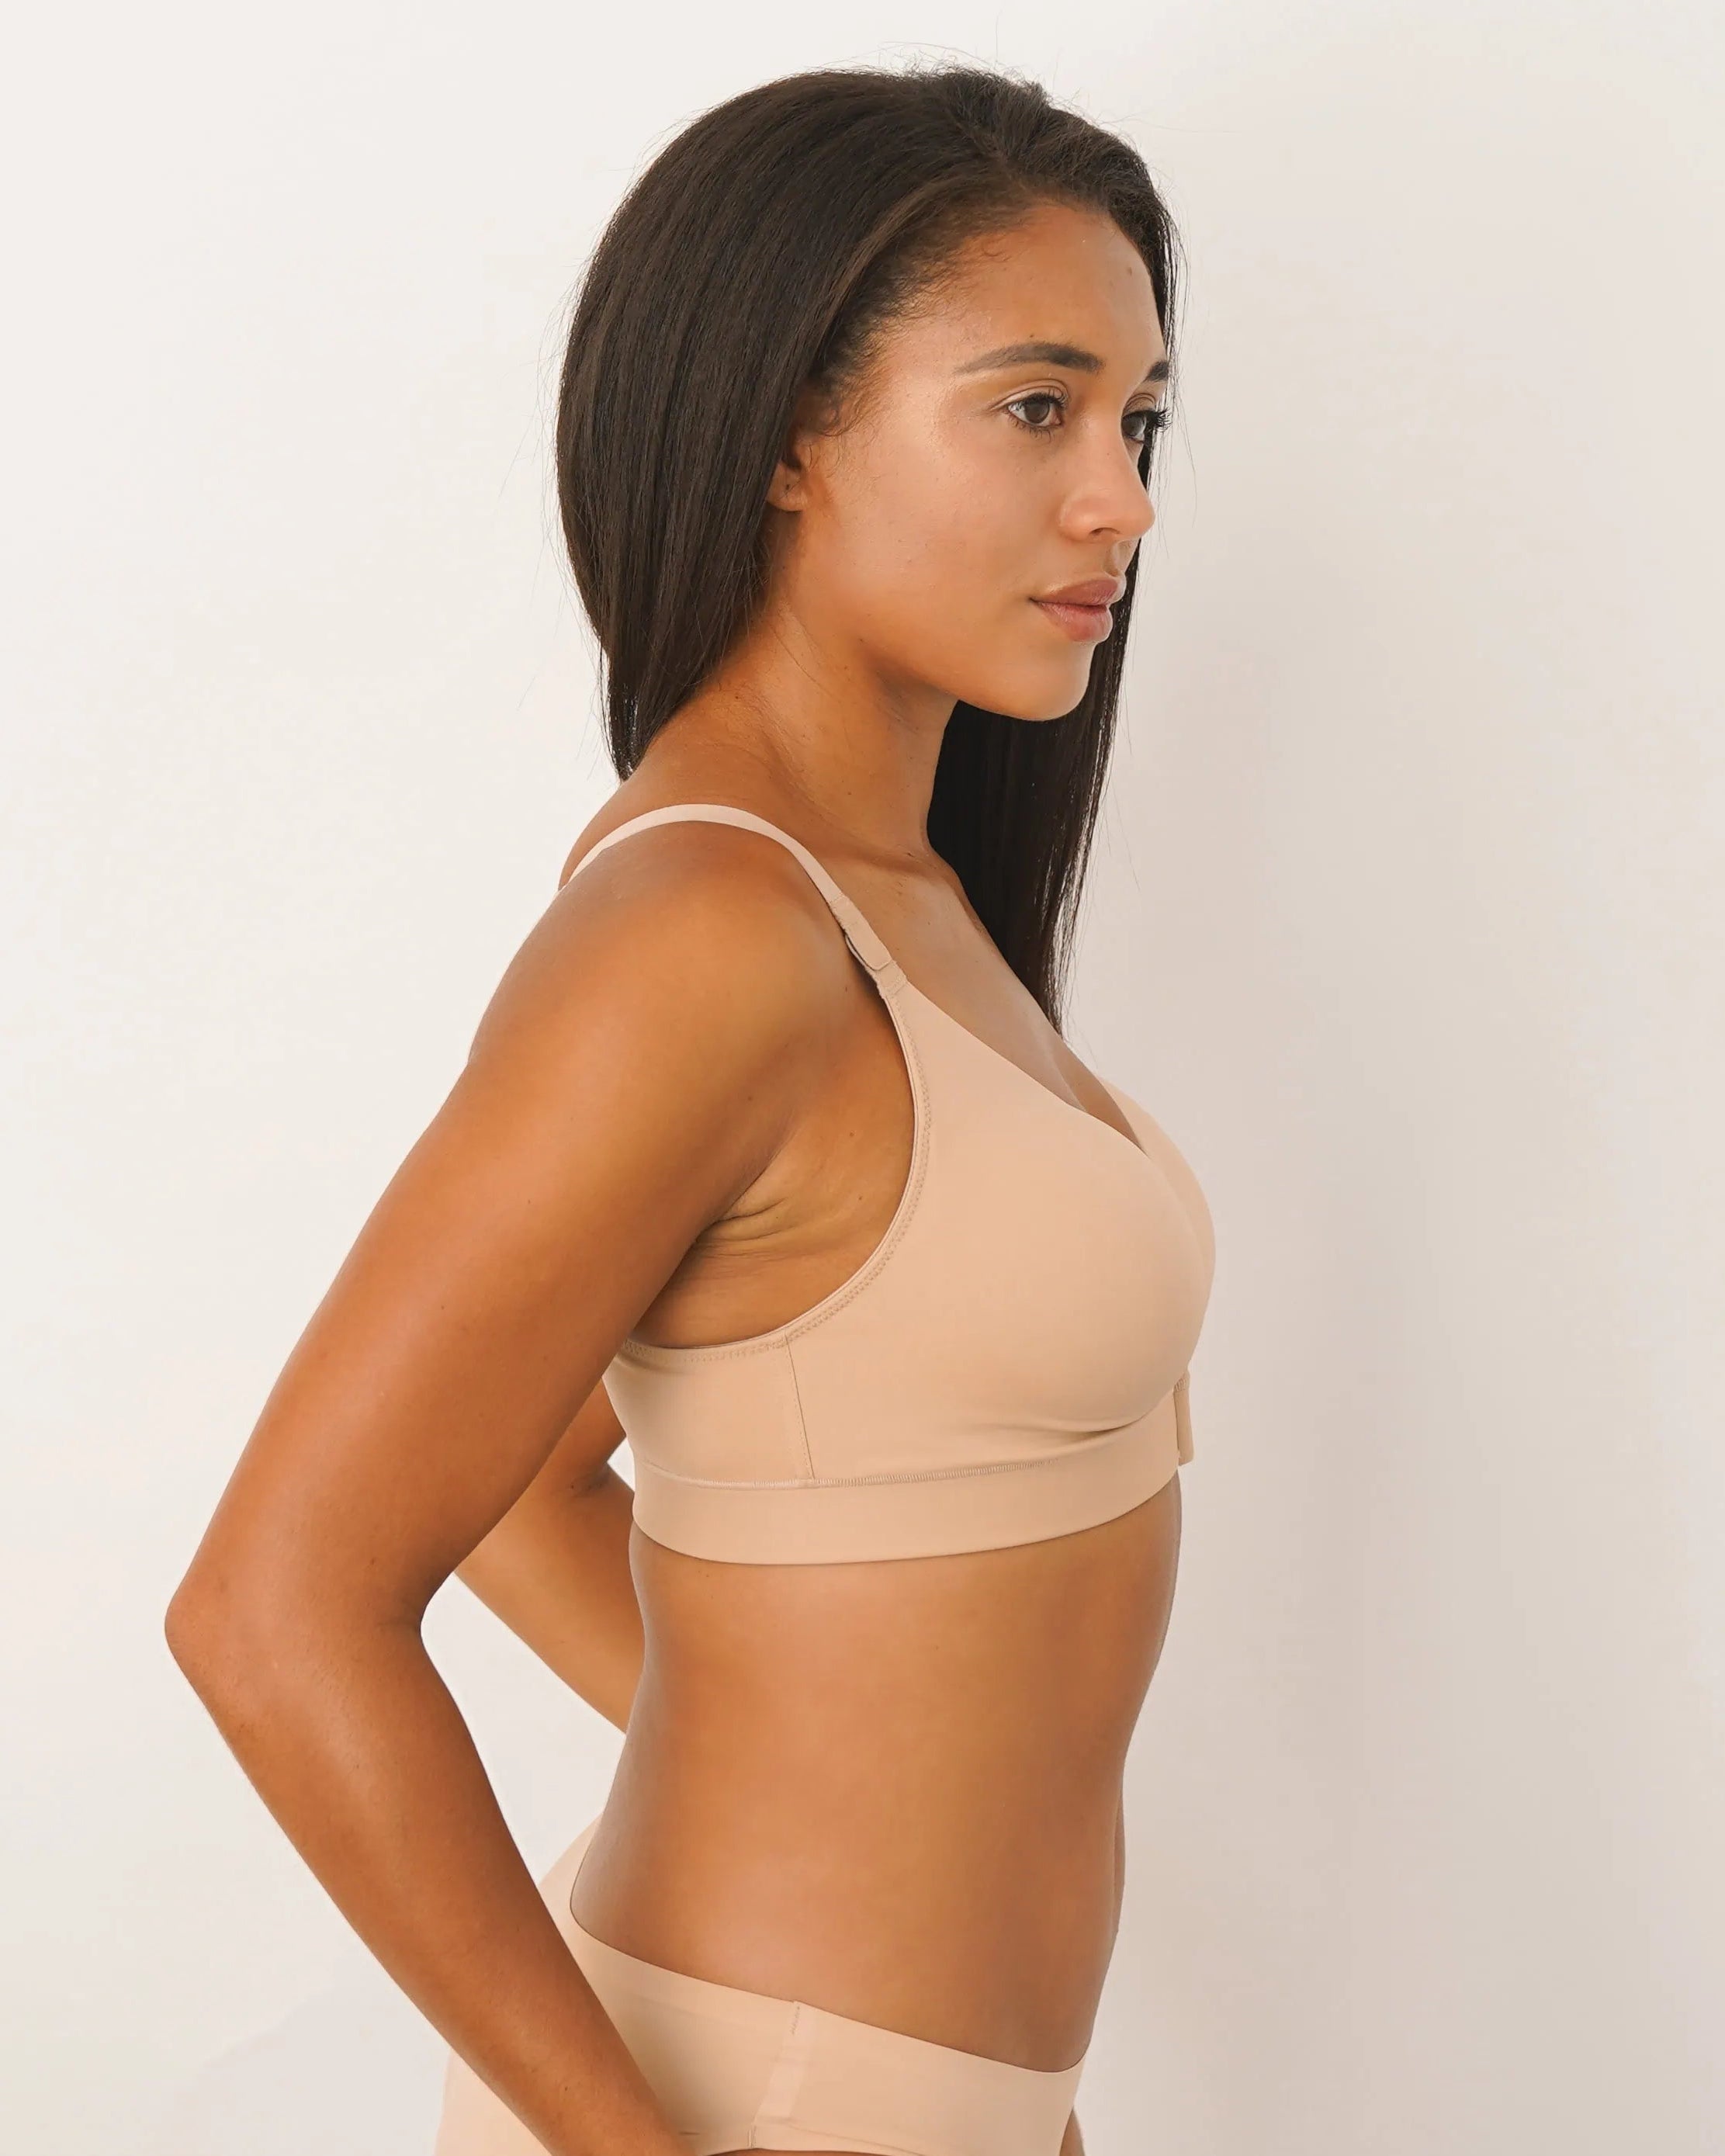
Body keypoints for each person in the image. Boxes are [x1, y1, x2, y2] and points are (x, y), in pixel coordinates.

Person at [165, 61, 1215, 2156]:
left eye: (1139, 421)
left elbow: (541, 1478)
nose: (1121, 497)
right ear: (790, 440)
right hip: (753, 2101)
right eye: (1036, 408)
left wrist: (856, 1791)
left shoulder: (902, 904)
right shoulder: (707, 933)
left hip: (936, 2098)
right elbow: (274, 1608)